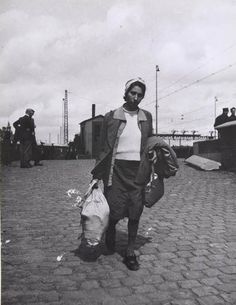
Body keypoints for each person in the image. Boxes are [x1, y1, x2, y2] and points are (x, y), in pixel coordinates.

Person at [91, 78, 153, 271]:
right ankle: (110, 229)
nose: (136, 97)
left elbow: (149, 140)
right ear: (126, 93)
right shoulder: (112, 117)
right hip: (115, 170)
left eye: (140, 94)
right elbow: (102, 147)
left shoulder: (147, 117)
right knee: (115, 209)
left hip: (138, 171)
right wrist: (97, 173)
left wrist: (152, 154)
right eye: (133, 93)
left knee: (135, 211)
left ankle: (130, 251)